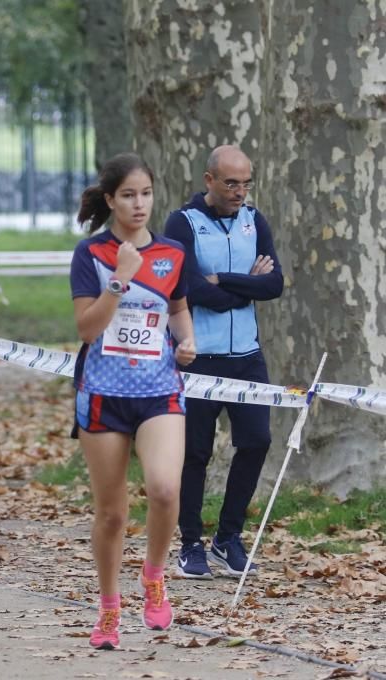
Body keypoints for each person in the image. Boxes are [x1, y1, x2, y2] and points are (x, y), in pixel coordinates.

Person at [70, 153, 196, 650]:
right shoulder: (92, 254)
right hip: (103, 395)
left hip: (158, 390)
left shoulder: (172, 253)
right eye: (128, 195)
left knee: (165, 490)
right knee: (112, 514)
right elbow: (86, 328)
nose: (138, 203)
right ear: (110, 200)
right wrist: (120, 278)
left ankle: (153, 575)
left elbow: (179, 310)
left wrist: (187, 341)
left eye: (145, 193)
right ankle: (107, 609)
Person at [164, 145, 283, 580]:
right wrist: (246, 284)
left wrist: (234, 281)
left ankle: (227, 539)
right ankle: (190, 543)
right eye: (231, 183)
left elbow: (274, 285)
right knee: (194, 453)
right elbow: (190, 288)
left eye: (246, 182)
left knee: (256, 442)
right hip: (196, 357)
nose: (240, 191)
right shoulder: (183, 222)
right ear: (209, 180)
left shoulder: (256, 221)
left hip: (247, 358)